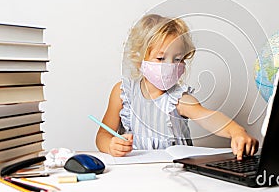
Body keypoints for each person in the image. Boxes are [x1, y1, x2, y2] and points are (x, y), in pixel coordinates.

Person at [95, 14, 259, 160]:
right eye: (160, 58)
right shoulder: (123, 93)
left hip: (175, 174)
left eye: (177, 59)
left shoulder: (179, 99)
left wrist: (236, 131)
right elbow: (102, 135)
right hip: (135, 175)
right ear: (139, 59)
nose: (170, 66)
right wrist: (110, 145)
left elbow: (208, 117)